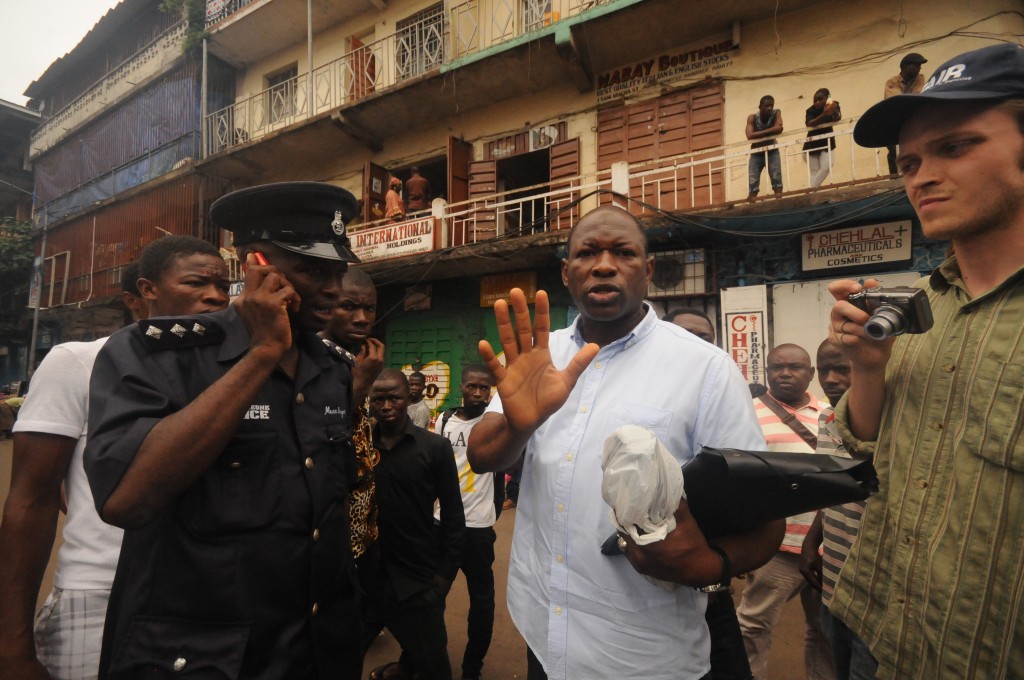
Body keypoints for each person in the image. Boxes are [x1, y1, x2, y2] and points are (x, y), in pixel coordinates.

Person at [467, 205, 784, 680]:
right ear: (567, 272)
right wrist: (518, 424)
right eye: (587, 253)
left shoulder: (705, 369)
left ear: (648, 270)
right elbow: (481, 455)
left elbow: (764, 524)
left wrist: (707, 564)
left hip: (642, 655)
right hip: (542, 627)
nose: (603, 264)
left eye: (623, 252)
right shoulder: (542, 355)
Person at [83, 182, 364, 680]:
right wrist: (259, 356)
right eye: (313, 270)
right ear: (256, 264)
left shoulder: (333, 368)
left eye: (338, 272)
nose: (334, 289)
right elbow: (126, 500)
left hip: (316, 650)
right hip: (206, 658)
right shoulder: (155, 354)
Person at [828, 43, 1024, 680]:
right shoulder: (916, 308)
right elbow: (862, 454)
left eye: (955, 147)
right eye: (909, 161)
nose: (921, 176)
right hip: (878, 632)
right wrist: (867, 367)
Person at [0, 244, 228, 680]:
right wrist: (11, 645)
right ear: (142, 294)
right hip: (99, 594)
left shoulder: (233, 372)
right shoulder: (78, 362)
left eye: (222, 285)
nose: (216, 297)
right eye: (198, 283)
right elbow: (31, 501)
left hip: (208, 593)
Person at [736, 343, 836, 680]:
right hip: (777, 545)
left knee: (823, 631)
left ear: (810, 374)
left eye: (794, 367)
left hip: (827, 546)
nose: (785, 373)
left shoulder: (829, 414)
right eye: (777, 367)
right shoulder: (747, 413)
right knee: (753, 626)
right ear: (767, 372)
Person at [664, 308, 751, 680]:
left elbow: (741, 482)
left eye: (705, 338)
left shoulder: (725, 389)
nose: (696, 345)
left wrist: (717, 565)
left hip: (707, 568)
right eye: (686, 335)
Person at [364, 369, 465, 680]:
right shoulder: (360, 448)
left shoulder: (434, 448)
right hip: (367, 575)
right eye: (378, 399)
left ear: (408, 397)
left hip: (418, 576)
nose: (386, 405)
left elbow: (453, 514)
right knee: (341, 652)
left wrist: (445, 574)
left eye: (394, 397)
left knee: (433, 663)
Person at [798, 341, 878, 680]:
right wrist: (812, 542)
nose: (831, 379)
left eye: (842, 369)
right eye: (825, 369)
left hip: (874, 586)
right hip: (834, 576)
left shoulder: (887, 420)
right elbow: (834, 487)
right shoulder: (828, 416)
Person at [322, 268, 386, 628]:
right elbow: (314, 438)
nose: (362, 318)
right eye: (348, 306)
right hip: (329, 525)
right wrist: (359, 385)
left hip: (363, 521)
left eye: (370, 308)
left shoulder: (357, 357)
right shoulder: (312, 359)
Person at [434, 364, 499, 680]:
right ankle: (425, 660)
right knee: (431, 598)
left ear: (491, 392)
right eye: (472, 386)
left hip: (478, 528)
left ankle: (472, 668)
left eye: (484, 388)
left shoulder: (495, 424)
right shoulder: (444, 421)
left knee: (483, 604)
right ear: (461, 387)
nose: (478, 393)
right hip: (442, 524)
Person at [883, 53, 927, 175]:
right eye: (916, 65)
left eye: (919, 66)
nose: (919, 69)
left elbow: (918, 96)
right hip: (894, 122)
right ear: (905, 66)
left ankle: (917, 173)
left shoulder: (920, 78)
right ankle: (894, 177)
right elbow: (895, 102)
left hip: (912, 122)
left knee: (916, 147)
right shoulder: (891, 82)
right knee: (894, 151)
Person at [746, 96, 784, 199]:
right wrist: (771, 130)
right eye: (766, 105)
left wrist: (758, 133)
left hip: (772, 149)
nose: (769, 108)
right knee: (753, 179)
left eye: (771, 105)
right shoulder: (753, 118)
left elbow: (779, 128)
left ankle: (779, 199)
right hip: (756, 152)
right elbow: (749, 135)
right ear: (760, 107)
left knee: (776, 176)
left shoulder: (776, 113)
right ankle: (752, 202)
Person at [804, 88, 842, 188]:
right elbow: (809, 123)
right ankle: (812, 196)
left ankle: (810, 192)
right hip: (811, 144)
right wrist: (824, 114)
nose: (817, 102)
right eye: (815, 100)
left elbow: (837, 117)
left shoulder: (834, 105)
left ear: (827, 98)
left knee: (826, 166)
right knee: (815, 172)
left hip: (827, 142)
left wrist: (833, 110)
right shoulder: (810, 110)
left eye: (820, 99)